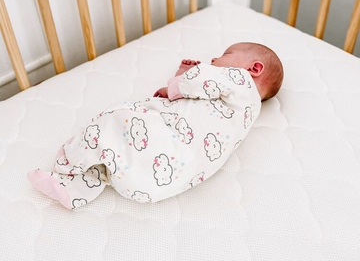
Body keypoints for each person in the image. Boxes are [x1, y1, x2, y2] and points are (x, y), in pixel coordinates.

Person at [27, 42, 283, 209]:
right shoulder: (245, 112)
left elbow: (201, 80)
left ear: (254, 68)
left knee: (115, 120)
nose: (215, 58)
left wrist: (176, 85)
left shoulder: (240, 80)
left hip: (170, 146)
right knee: (114, 156)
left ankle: (68, 170)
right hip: (162, 183)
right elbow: (198, 102)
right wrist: (183, 79)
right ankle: (74, 191)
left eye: (226, 54)